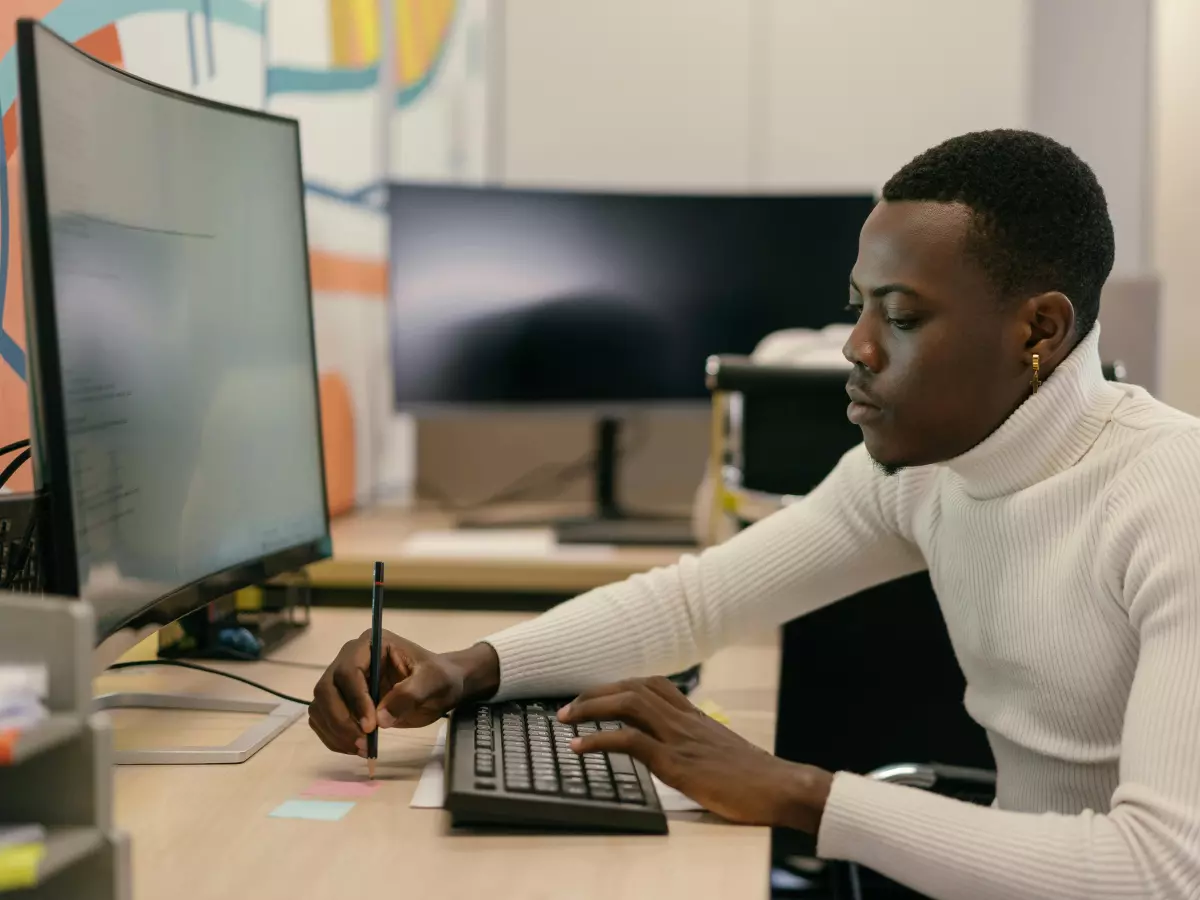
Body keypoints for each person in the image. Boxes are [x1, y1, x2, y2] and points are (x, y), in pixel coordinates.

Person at [308, 130, 1200, 900]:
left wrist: (799, 795)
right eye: (860, 306)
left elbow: (1159, 872)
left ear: (1038, 330)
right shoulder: (925, 469)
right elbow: (695, 605)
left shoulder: (1170, 494)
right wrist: (468, 669)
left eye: (902, 315)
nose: (855, 346)